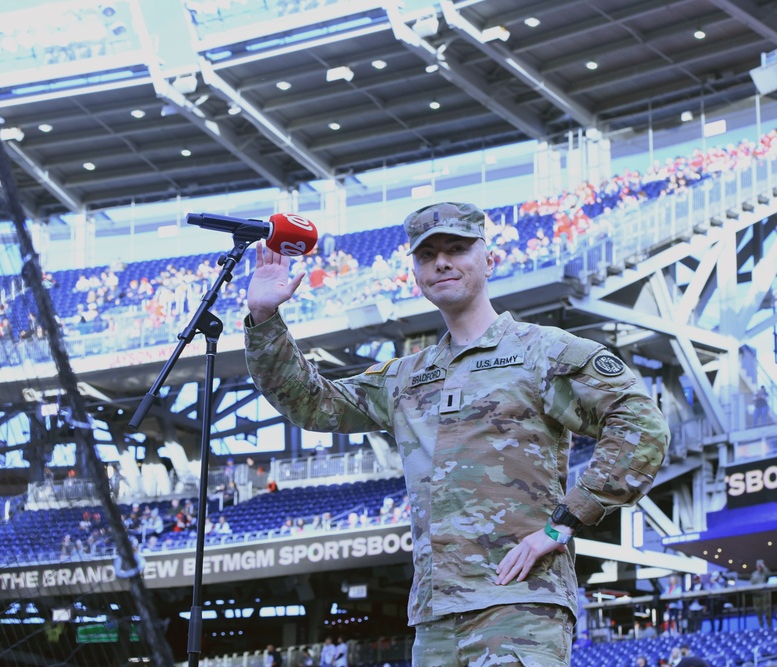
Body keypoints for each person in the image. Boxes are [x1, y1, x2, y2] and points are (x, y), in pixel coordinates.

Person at [243, 201, 670, 667]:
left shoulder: (542, 351)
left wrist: (566, 520)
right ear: (416, 274)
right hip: (435, 618)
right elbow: (312, 403)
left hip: (519, 606)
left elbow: (640, 422)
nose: (441, 261)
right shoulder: (406, 377)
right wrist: (266, 319)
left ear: (489, 259)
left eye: (457, 248)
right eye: (427, 255)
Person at [751, 559, 773, 630]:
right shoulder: (754, 574)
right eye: (758, 565)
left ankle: (769, 627)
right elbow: (751, 584)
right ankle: (761, 627)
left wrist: (764, 567)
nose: (759, 567)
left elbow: (769, 574)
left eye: (760, 565)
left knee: (767, 611)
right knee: (758, 612)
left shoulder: (765, 573)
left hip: (764, 595)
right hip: (756, 596)